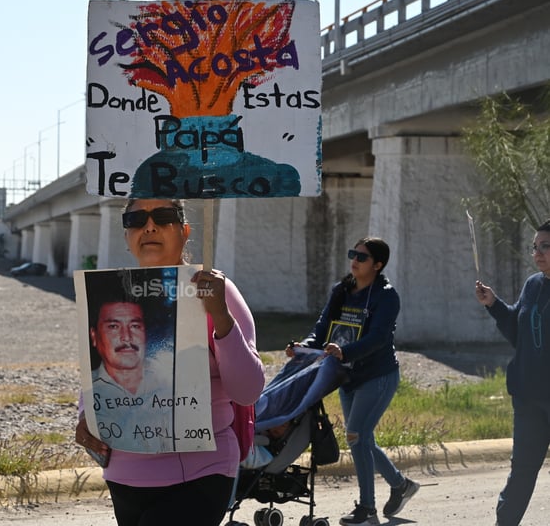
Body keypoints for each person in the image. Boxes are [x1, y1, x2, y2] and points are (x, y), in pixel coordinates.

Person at [74, 198, 265, 526]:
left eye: (162, 217)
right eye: (135, 219)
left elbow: (247, 391)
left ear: (185, 231)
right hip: (124, 474)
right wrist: (84, 416)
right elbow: (97, 371)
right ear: (126, 236)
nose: (149, 227)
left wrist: (220, 316)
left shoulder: (218, 293)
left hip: (199, 475)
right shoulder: (108, 293)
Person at [287, 237, 418, 525]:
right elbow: (322, 327)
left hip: (378, 376)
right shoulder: (342, 291)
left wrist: (345, 351)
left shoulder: (386, 296)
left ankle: (367, 508)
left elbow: (378, 338)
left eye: (362, 257)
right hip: (347, 376)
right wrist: (304, 346)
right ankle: (400, 485)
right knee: (362, 438)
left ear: (378, 264)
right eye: (353, 254)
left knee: (356, 436)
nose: (354, 261)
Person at [475, 219, 550, 526]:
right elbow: (519, 333)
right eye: (535, 247)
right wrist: (493, 304)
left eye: (545, 246)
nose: (538, 253)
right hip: (528, 396)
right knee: (521, 470)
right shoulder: (533, 284)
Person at [88, 294, 175, 453]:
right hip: (121, 473)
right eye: (113, 326)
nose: (126, 337)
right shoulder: (91, 388)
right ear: (94, 336)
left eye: (135, 326)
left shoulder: (173, 381)